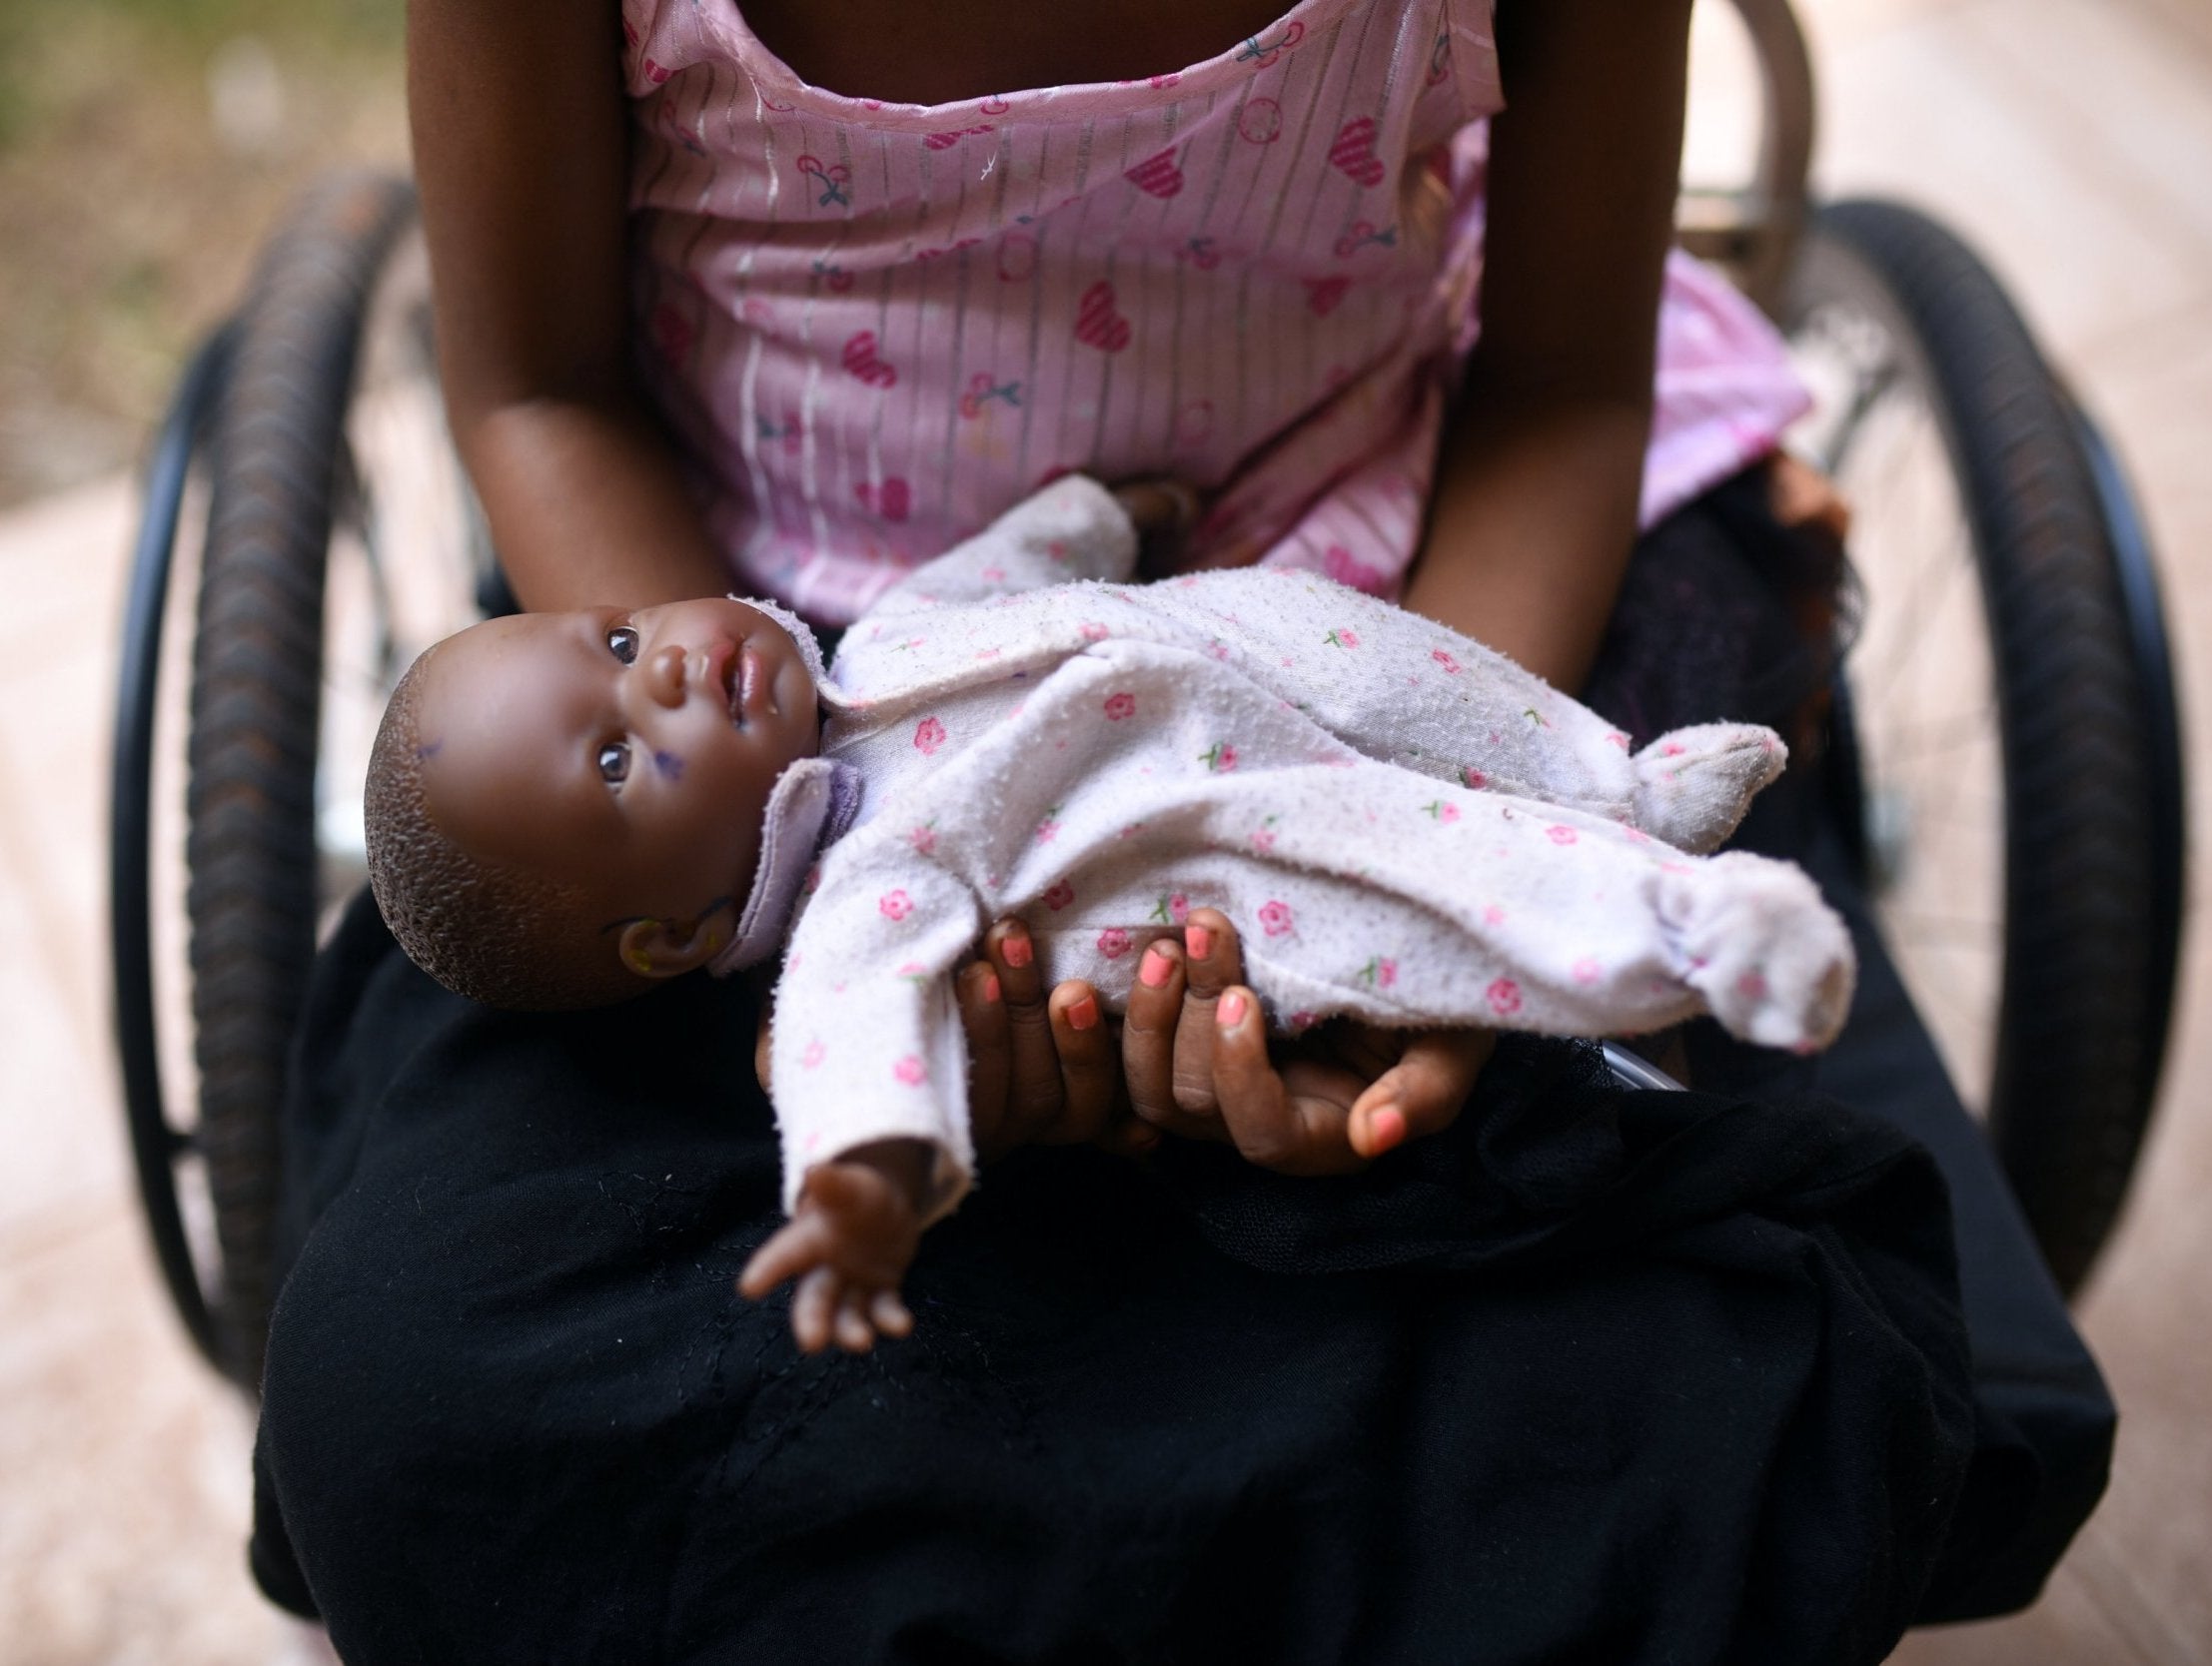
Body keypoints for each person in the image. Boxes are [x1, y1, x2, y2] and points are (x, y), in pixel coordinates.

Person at [244, 0, 2109, 1658]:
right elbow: (536, 385)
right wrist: (789, 880)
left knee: (1753, 1407)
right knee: (402, 1416)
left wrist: (1413, 897)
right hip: (787, 722)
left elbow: (1558, 387)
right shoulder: (717, 736)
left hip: (1383, 641)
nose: (645, 691)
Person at [365, 475, 1855, 1351]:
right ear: (678, 937)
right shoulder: (862, 895)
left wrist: (1095, 516)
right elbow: (848, 1030)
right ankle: (1675, 939)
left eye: (624, 641)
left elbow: (1006, 564)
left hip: (1267, 643)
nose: (668, 673)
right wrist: (863, 1180)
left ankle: (1619, 792)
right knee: (1418, 861)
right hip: (1220, 839)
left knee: (1441, 691)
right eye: (619, 754)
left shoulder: (880, 641)